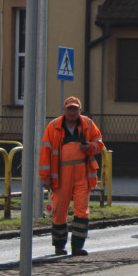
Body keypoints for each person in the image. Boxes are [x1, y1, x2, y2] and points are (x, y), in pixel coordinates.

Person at [39, 96, 105, 256]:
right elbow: (45, 152)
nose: (72, 112)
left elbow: (99, 144)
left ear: (79, 110)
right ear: (64, 110)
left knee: (82, 211)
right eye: (69, 109)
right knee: (59, 211)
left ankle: (77, 246)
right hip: (60, 176)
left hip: (82, 174)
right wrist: (45, 177)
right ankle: (59, 246)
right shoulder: (53, 126)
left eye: (75, 109)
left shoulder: (88, 124)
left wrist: (89, 147)